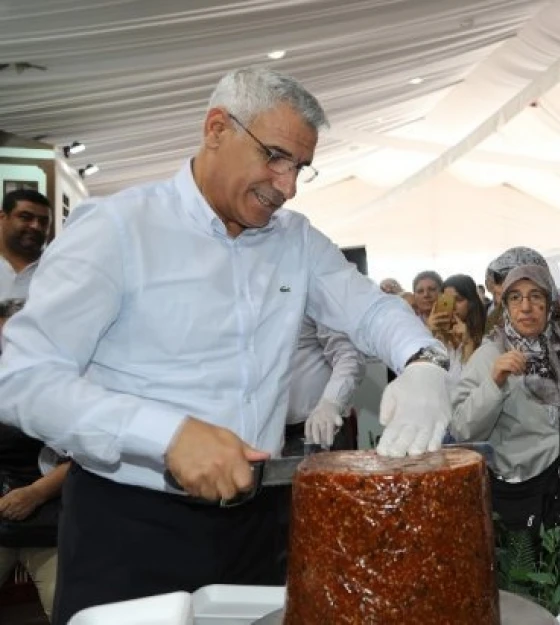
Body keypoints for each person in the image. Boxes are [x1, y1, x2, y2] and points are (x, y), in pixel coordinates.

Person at [0, 67, 453, 623]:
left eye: (299, 169)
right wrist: (165, 436)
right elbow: (23, 379)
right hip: (128, 528)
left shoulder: (296, 241)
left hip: (253, 525)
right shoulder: (118, 229)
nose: (286, 185)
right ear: (217, 128)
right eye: (275, 157)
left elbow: (371, 309)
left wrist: (424, 363)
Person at [451, 264, 560, 565]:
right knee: (530, 588)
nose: (526, 307)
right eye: (515, 298)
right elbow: (463, 430)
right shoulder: (489, 355)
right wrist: (494, 382)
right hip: (520, 492)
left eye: (535, 296)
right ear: (504, 305)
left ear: (550, 302)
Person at [0, 298, 69, 621]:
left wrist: (36, 493)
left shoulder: (68, 384)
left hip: (53, 522)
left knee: (69, 609)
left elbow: (84, 458)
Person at [285, 317, 365, 453]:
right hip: (266, 433)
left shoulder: (315, 298)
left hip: (317, 430)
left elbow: (348, 355)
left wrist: (331, 402)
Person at [437, 274, 488, 388]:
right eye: (447, 301)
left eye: (458, 300)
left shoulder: (486, 341)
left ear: (471, 303)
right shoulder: (440, 339)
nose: (452, 306)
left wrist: (469, 343)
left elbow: (469, 387)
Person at [0, 189, 51, 300]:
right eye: (25, 217)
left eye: (43, 222)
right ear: (2, 218)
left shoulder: (55, 268)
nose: (36, 226)